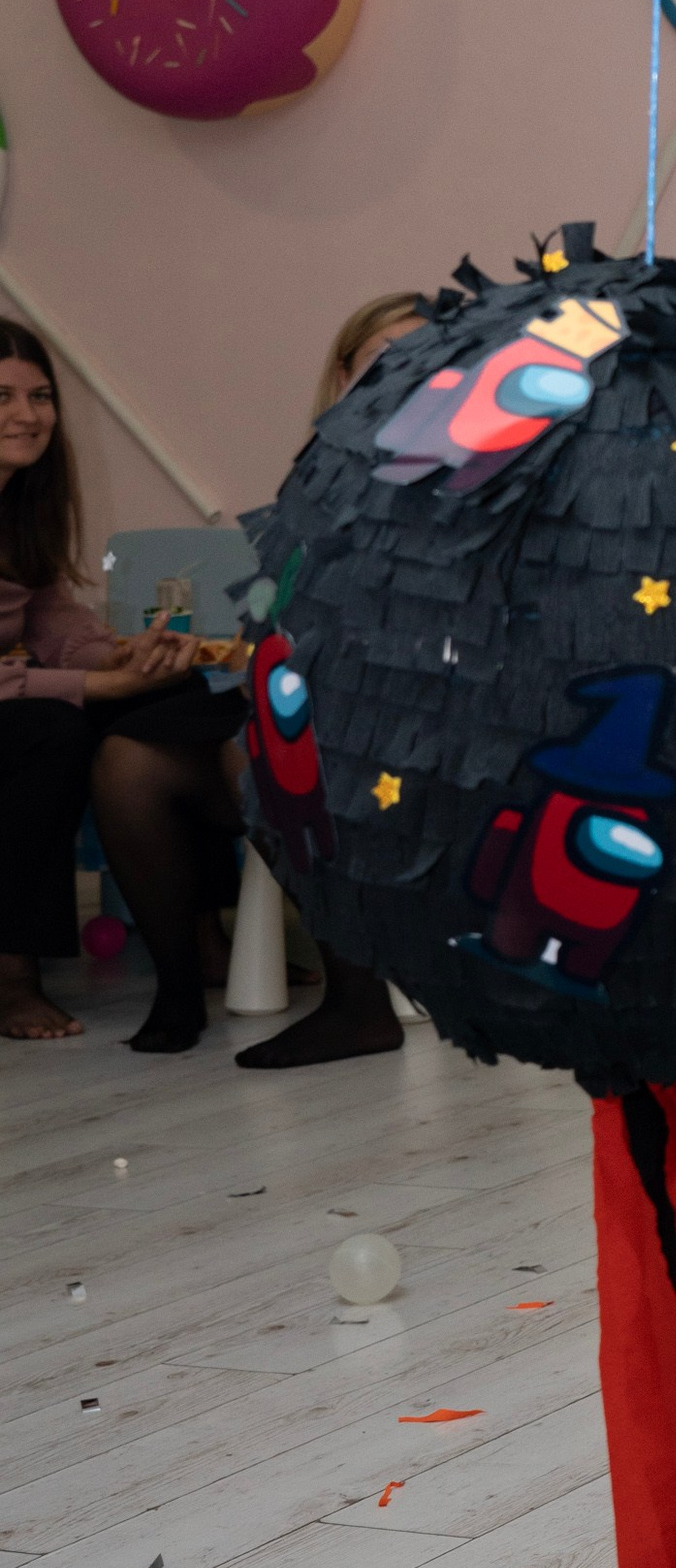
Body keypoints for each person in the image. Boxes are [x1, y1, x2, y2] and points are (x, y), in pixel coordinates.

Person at [0, 318, 236, 1049]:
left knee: (174, 695)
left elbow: (51, 619)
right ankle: (11, 969)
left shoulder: (19, 508)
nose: (30, 414)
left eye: (41, 396)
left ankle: (201, 932)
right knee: (53, 729)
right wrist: (91, 687)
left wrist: (126, 655)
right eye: (3, 396)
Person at [231, 290, 430, 1071]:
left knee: (284, 751)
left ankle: (357, 1000)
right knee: (143, 751)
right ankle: (181, 986)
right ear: (343, 375)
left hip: (435, 706)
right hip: (318, 682)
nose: (402, 376)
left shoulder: (478, 472)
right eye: (383, 359)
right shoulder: (318, 478)